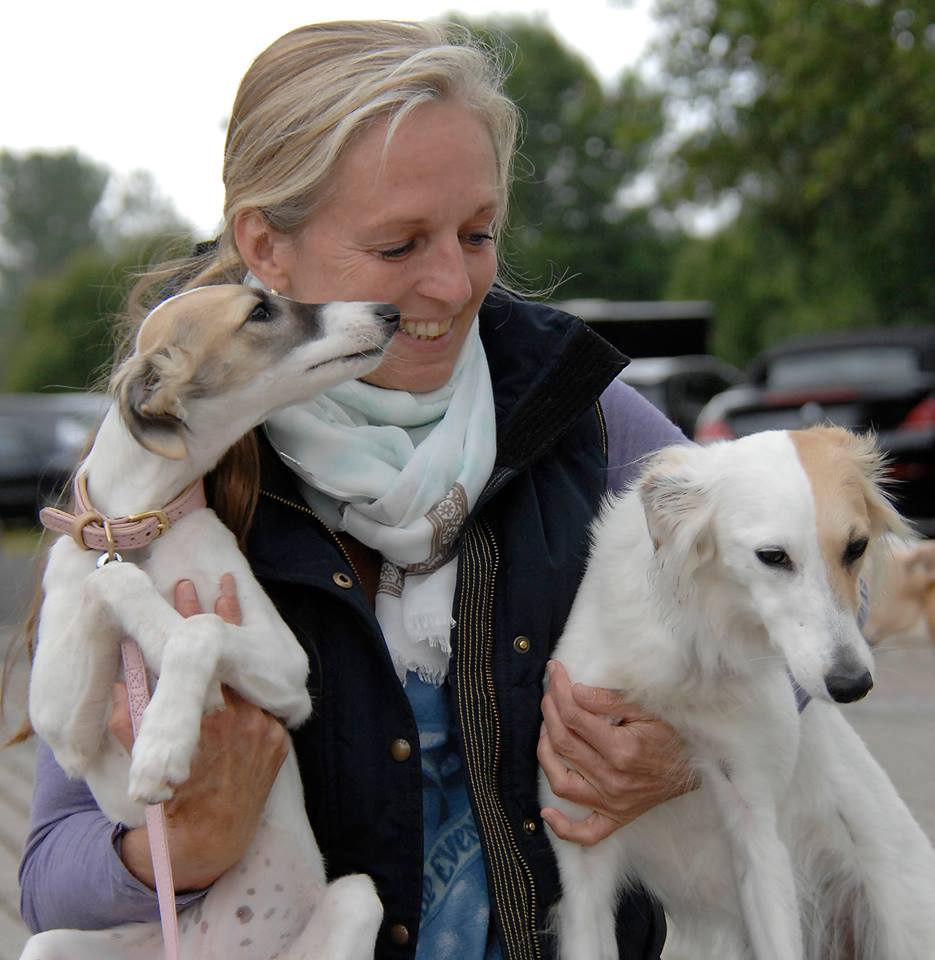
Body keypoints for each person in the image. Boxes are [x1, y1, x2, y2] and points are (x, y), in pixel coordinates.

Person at [19, 20, 693, 959]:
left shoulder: (579, 410)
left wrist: (686, 751)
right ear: (267, 245)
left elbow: (827, 593)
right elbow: (47, 873)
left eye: (478, 232)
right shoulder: (161, 488)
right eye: (397, 245)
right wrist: (188, 844)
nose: (453, 283)